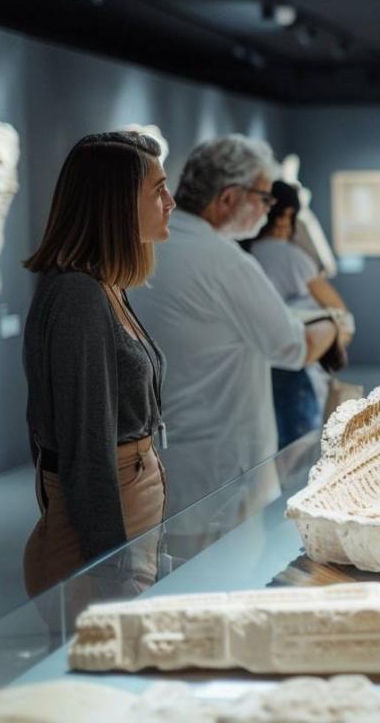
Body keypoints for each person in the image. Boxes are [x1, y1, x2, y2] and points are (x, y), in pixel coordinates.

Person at [130, 135, 337, 523]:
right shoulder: (223, 260)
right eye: (263, 197)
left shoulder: (147, 247)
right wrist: (334, 324)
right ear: (228, 198)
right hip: (222, 466)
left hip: (163, 455)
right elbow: (293, 348)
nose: (267, 208)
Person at [22, 131, 174, 594]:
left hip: (132, 498)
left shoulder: (103, 285)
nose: (170, 201)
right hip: (110, 521)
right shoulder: (79, 296)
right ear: (118, 202)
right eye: (157, 190)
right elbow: (86, 447)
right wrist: (111, 567)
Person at [247, 180, 354, 448]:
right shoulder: (293, 258)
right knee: (300, 448)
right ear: (286, 215)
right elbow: (340, 313)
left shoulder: (243, 255)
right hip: (298, 365)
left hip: (255, 365)